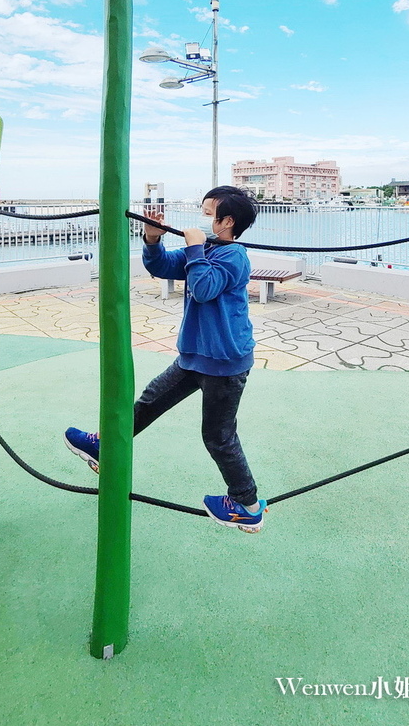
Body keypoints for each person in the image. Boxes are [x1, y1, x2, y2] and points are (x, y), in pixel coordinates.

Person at [64, 185, 268, 532]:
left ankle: (246, 503)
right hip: (193, 356)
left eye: (206, 213)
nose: (198, 219)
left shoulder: (233, 256)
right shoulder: (204, 248)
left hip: (224, 362)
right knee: (149, 401)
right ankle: (106, 447)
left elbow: (203, 289)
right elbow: (161, 266)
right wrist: (153, 239)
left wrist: (193, 248)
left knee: (218, 435)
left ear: (227, 221)